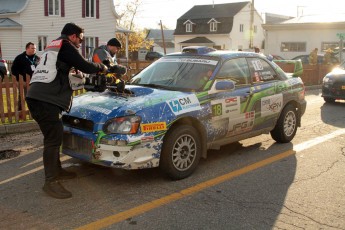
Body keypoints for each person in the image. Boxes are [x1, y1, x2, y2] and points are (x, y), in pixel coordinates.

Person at [25, 22, 107, 199]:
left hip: (38, 96)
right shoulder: (66, 46)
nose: (81, 43)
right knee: (53, 139)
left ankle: (57, 171)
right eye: (81, 39)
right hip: (44, 99)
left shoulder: (53, 46)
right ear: (73, 36)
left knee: (54, 136)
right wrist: (102, 67)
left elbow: (64, 72)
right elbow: (87, 66)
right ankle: (51, 182)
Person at [11, 42, 40, 111]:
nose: (34, 50)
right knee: (22, 97)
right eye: (32, 48)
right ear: (27, 48)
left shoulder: (37, 58)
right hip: (23, 82)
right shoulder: (19, 58)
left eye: (35, 48)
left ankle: (34, 111)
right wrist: (20, 80)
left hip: (34, 82)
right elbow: (13, 69)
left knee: (35, 97)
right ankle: (20, 112)